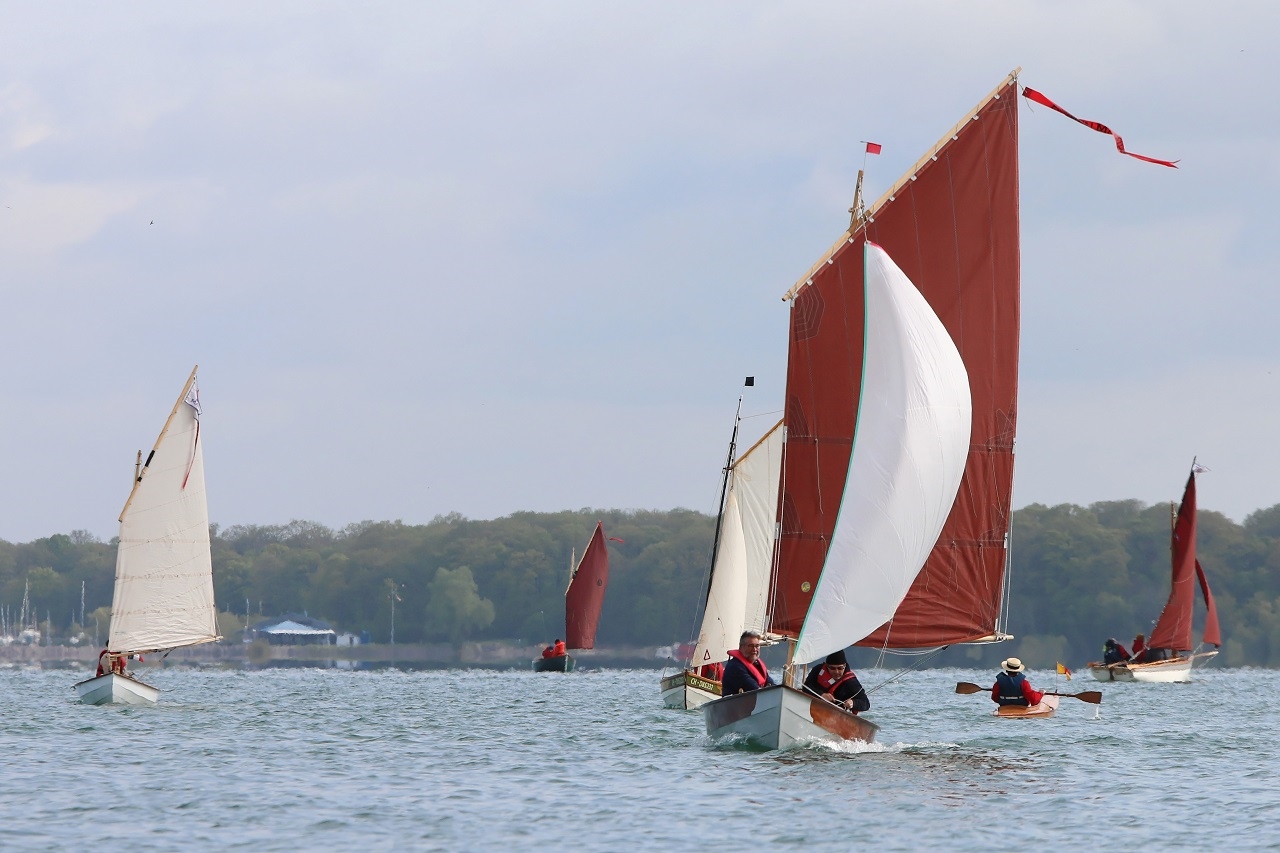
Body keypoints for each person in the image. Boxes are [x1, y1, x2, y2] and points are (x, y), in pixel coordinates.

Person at [803, 650, 869, 714]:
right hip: (812, 708)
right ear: (827, 666)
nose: (836, 672)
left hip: (836, 715)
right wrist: (821, 695)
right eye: (832, 668)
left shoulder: (851, 682)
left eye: (840, 668)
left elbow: (866, 703)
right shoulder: (818, 670)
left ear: (844, 666)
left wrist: (853, 703)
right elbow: (805, 687)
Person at [721, 630, 775, 695]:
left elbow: (771, 683)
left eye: (757, 646)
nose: (754, 649)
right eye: (751, 646)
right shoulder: (735, 666)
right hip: (735, 703)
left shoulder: (757, 664)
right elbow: (752, 687)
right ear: (741, 648)